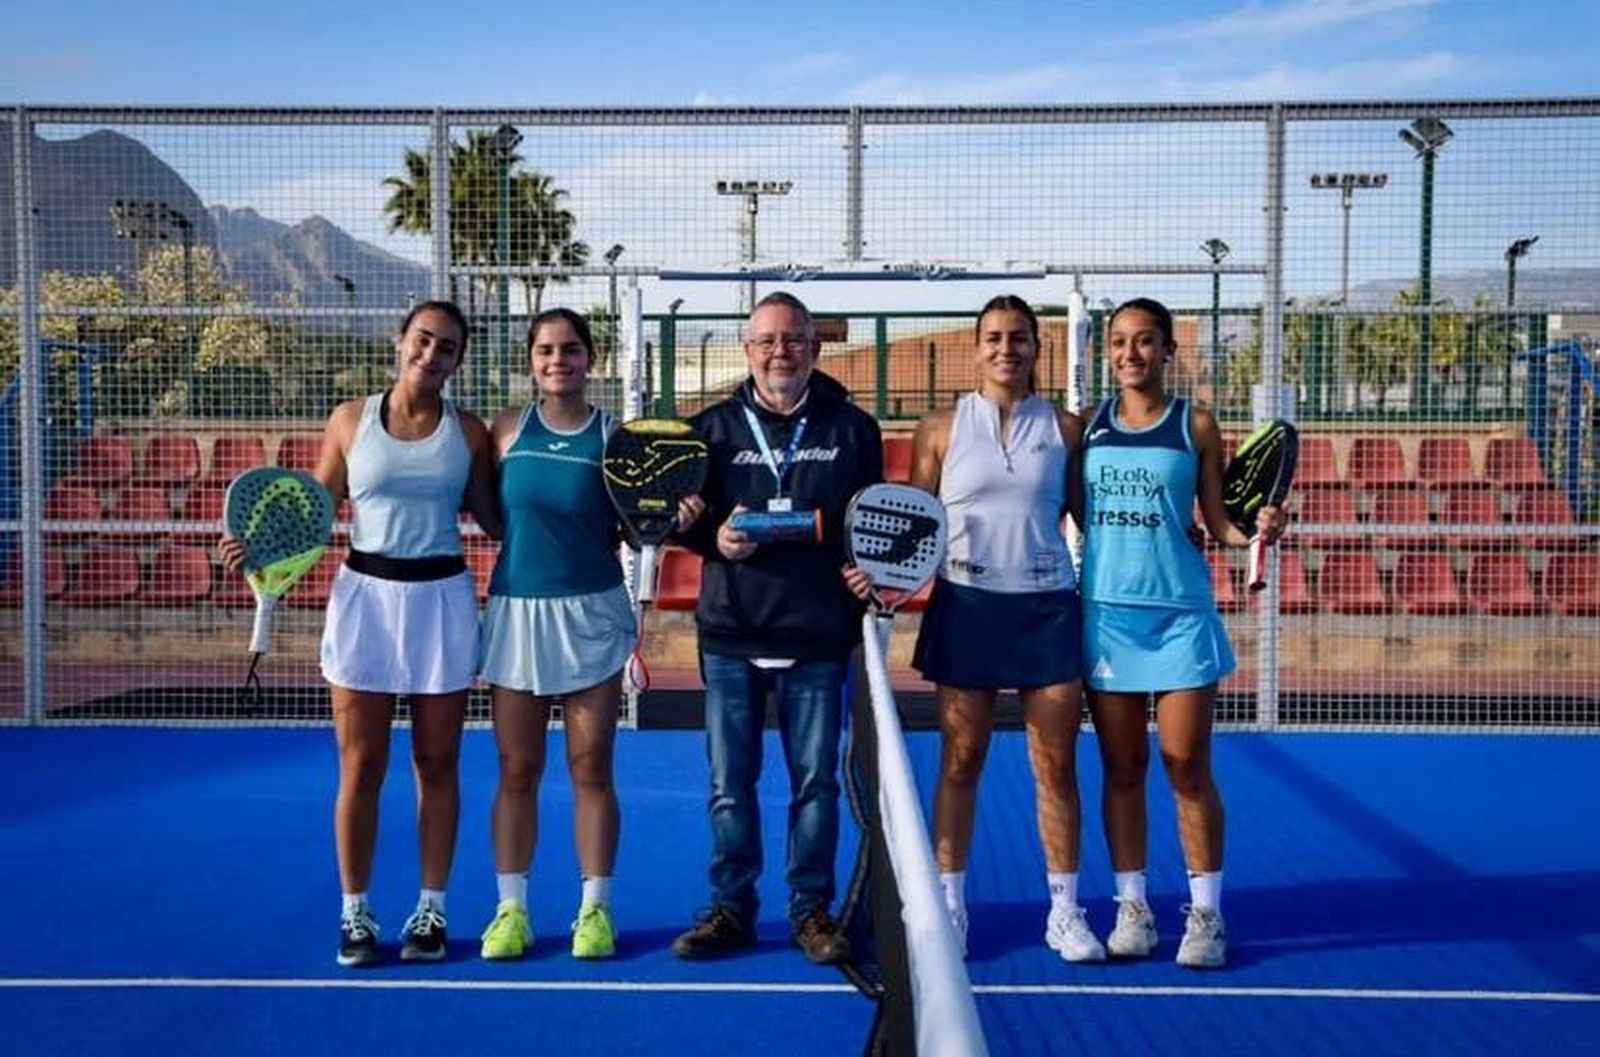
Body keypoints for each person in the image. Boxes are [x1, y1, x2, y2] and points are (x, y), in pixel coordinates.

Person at [221, 300, 501, 968]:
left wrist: (582, 531)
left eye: (448, 348)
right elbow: (309, 514)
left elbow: (497, 520)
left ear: (458, 360)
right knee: (362, 765)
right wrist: (254, 550)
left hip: (441, 602)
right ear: (400, 342)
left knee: (438, 764)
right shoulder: (348, 420)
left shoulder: (468, 432)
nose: (432, 355)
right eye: (423, 340)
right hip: (364, 604)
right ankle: (356, 913)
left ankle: (431, 910)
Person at [477, 308, 699, 961]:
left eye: (570, 349)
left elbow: (638, 528)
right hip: (518, 614)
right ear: (531, 359)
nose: (558, 360)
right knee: (517, 768)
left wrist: (672, 518)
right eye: (545, 350)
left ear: (589, 359)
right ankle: (511, 910)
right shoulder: (505, 431)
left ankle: (594, 909)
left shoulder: (616, 439)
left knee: (591, 766)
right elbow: (495, 519)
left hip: (595, 615)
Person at [669, 291, 882, 965]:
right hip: (732, 634)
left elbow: (871, 523)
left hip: (817, 635)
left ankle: (810, 909)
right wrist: (709, 537)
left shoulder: (852, 428)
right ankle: (732, 907)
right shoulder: (709, 429)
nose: (780, 351)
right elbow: (684, 520)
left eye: (794, 339)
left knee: (815, 782)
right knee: (730, 784)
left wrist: (869, 573)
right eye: (766, 340)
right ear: (748, 349)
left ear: (816, 349)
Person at [1076, 297, 1285, 969]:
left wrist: (1258, 531)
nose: (1130, 353)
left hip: (1180, 618)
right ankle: (1132, 907)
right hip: (1108, 618)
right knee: (1123, 767)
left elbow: (1220, 520)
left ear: (1168, 350)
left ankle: (1206, 914)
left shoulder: (1195, 423)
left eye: (1144, 341)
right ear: (1107, 352)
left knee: (1187, 764)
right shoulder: (1087, 427)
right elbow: (1077, 516)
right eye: (1118, 342)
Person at [904, 294, 1103, 963]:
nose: (1005, 348)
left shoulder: (1067, 429)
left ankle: (1065, 911)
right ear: (977, 345)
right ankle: (949, 909)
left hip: (1047, 609)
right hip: (966, 607)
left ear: (1035, 348)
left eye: (1018, 338)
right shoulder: (939, 428)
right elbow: (912, 527)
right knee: (962, 762)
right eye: (993, 337)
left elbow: (1091, 518)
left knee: (1056, 765)